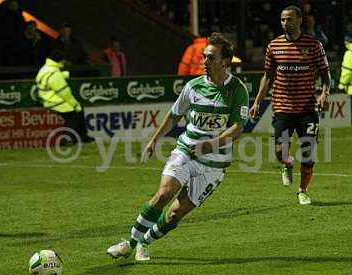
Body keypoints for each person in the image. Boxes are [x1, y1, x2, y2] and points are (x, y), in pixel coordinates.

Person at [107, 32, 249, 261]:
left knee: (175, 214)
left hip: (215, 164)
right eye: (204, 57)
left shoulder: (237, 90)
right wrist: (154, 140)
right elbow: (173, 116)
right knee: (163, 194)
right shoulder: (193, 86)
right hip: (186, 151)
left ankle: (145, 242)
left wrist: (209, 145)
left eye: (210, 57)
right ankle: (129, 242)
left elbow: (238, 128)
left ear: (225, 61)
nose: (204, 61)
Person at [249, 5, 331, 205]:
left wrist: (324, 94)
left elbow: (325, 74)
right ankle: (287, 164)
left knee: (308, 153)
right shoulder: (273, 46)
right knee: (280, 151)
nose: (286, 23)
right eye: (283, 20)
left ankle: (302, 190)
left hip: (307, 109)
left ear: (300, 20)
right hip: (283, 108)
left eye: (289, 19)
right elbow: (267, 77)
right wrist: (257, 102)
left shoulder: (313, 45)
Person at [35, 50, 93, 144]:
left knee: (71, 117)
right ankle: (69, 139)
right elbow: (65, 93)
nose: (65, 62)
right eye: (64, 60)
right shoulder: (54, 73)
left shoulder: (46, 68)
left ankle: (77, 138)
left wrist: (65, 75)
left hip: (47, 100)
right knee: (77, 112)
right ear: (60, 61)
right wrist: (75, 105)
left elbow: (47, 80)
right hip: (55, 101)